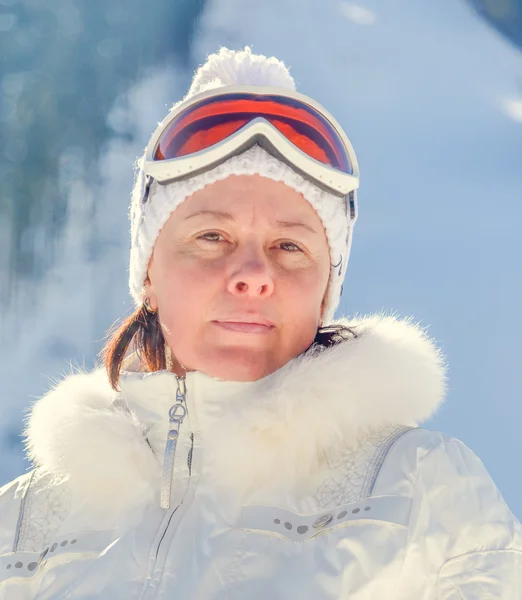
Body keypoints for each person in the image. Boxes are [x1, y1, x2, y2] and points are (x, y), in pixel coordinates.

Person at [0, 46, 520, 600]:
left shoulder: (422, 489)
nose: (252, 275)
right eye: (212, 237)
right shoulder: (22, 526)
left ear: (325, 292)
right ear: (149, 273)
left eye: (289, 245)